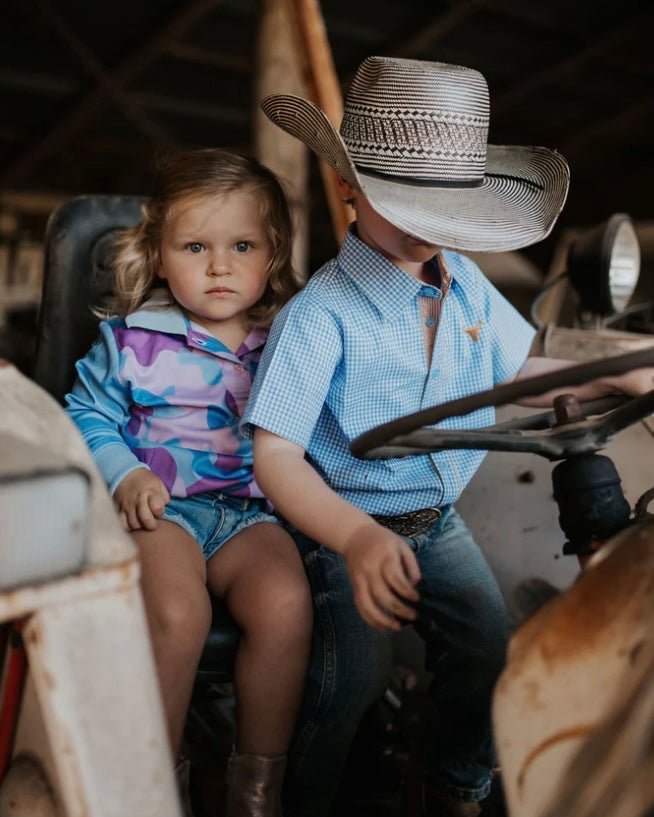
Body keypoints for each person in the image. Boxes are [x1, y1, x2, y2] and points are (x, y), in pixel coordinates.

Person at [241, 56, 654, 817]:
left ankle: (454, 790)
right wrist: (357, 539)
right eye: (408, 205)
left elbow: (523, 368)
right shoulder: (321, 314)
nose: (430, 231)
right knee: (349, 682)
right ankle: (299, 799)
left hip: (439, 522)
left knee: (492, 652)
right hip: (341, 530)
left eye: (444, 213)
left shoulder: (463, 279)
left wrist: (621, 377)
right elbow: (276, 455)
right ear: (349, 187)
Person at [65, 148, 312, 817]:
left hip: (250, 519)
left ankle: (255, 792)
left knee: (287, 605)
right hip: (163, 512)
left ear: (273, 251)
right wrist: (127, 473)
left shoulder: (291, 341)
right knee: (178, 613)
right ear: (159, 251)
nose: (221, 265)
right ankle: (153, 783)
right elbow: (86, 413)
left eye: (242, 245)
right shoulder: (132, 338)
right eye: (196, 245)